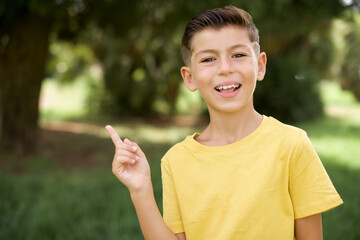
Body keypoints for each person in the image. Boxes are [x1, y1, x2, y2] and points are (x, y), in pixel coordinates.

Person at [105, 5, 343, 240]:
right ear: (190, 78)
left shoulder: (292, 145)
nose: (225, 69)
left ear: (259, 66)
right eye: (208, 59)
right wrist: (140, 190)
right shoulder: (175, 162)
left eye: (238, 55)